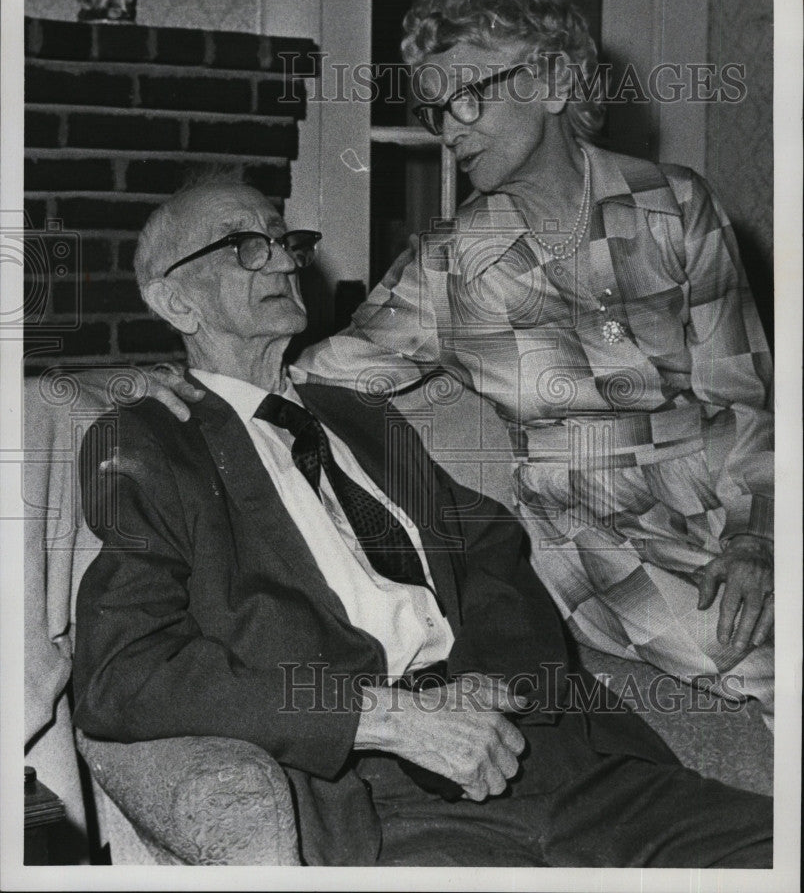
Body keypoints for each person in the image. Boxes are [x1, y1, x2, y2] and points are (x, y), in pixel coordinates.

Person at [72, 177, 773, 868]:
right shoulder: (151, 443)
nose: (285, 260)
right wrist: (382, 718)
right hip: (386, 803)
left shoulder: (361, 417)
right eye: (245, 246)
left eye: (286, 242)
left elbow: (494, 554)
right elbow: (123, 675)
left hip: (563, 766)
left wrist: (490, 691)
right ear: (174, 300)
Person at [293, 0, 776, 722]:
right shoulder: (447, 264)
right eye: (433, 112)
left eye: (465, 98)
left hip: (722, 485)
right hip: (586, 523)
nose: (448, 132)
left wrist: (756, 540)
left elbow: (740, 394)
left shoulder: (676, 204)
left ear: (550, 82)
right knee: (762, 655)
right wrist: (174, 384)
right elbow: (317, 369)